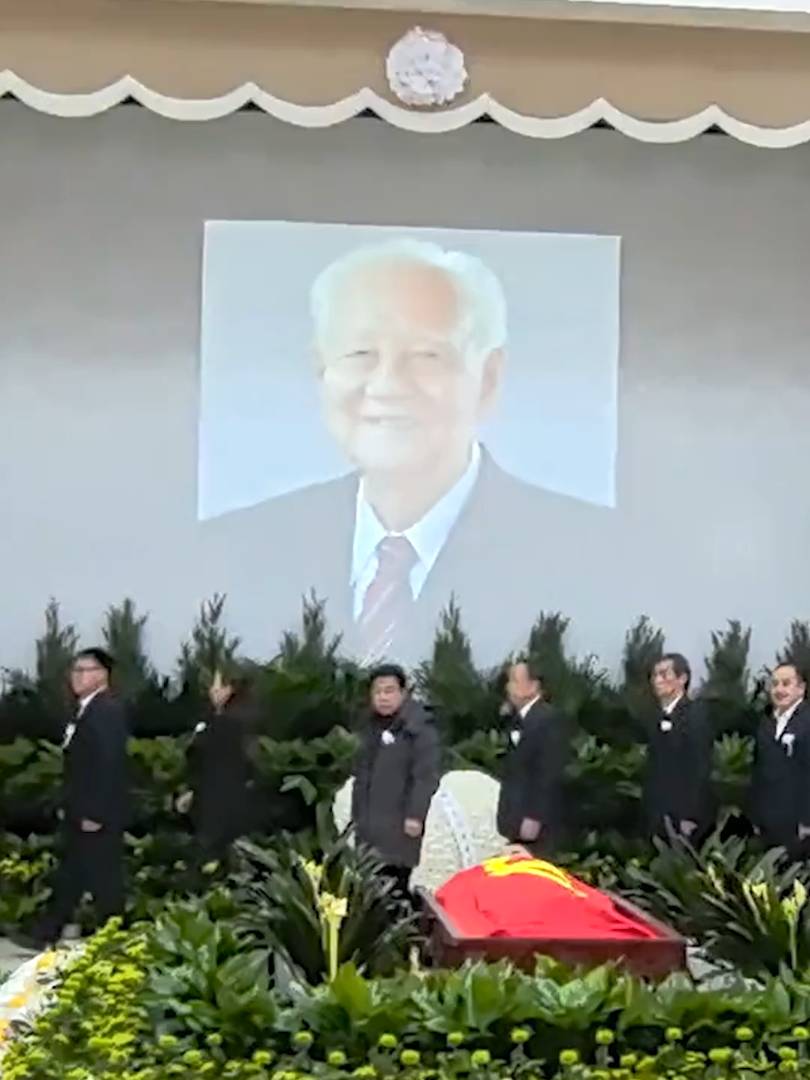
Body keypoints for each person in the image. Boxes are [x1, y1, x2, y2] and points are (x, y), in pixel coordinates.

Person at [203, 238, 610, 666]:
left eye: (425, 356)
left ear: (488, 378)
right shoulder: (237, 546)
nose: (387, 385)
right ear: (321, 370)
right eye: (360, 354)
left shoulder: (586, 552)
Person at [12, 648, 129, 949]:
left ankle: (115, 937)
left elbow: (108, 763)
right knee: (73, 873)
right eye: (74, 671)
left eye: (84, 670)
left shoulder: (105, 711)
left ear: (102, 675)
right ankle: (48, 930)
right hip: (80, 809)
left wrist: (95, 812)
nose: (77, 677)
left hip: (96, 813)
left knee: (102, 877)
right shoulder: (84, 711)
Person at [351, 663, 440, 897]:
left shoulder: (419, 728)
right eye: (378, 692)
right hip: (369, 828)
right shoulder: (370, 728)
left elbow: (425, 775)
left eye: (389, 691)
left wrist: (415, 815)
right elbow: (361, 775)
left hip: (400, 827)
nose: (383, 697)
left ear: (403, 693)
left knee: (397, 890)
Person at [177, 667, 262, 862]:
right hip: (210, 799)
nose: (212, 691)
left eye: (217, 686)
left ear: (229, 689)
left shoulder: (233, 723)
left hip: (221, 804)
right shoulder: (213, 718)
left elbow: (212, 761)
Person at [496, 661, 570, 855]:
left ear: (533, 686)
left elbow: (548, 772)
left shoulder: (548, 719)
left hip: (536, 825)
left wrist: (534, 816)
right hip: (515, 820)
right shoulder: (517, 720)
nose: (508, 687)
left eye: (514, 681)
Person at [643, 653, 714, 843]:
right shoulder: (655, 717)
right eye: (654, 675)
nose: (657, 680)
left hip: (683, 819)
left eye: (664, 674)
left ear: (682, 678)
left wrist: (691, 816)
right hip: (657, 816)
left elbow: (700, 768)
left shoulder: (695, 716)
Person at [749, 662, 810, 855]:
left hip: (799, 825)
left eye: (786, 683)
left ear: (801, 688)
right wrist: (755, 817)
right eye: (775, 684)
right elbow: (758, 771)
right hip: (767, 824)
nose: (779, 690)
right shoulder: (766, 723)